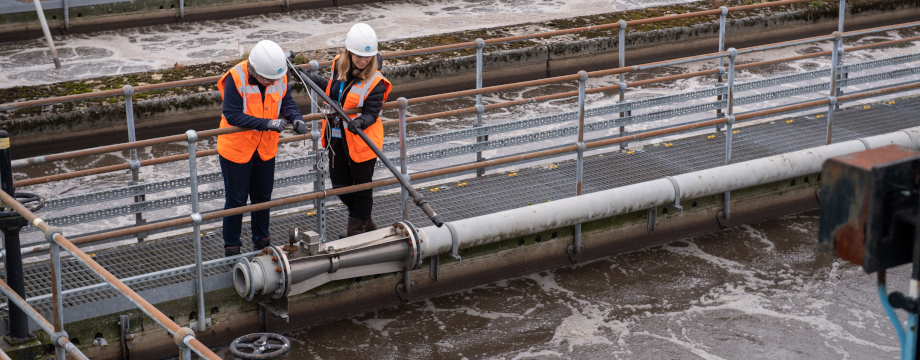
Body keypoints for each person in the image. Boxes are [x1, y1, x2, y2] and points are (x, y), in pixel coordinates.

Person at [296, 23, 392, 238]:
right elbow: (330, 88)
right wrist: (307, 77)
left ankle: (357, 233)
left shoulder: (375, 81)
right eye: (358, 55)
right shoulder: (339, 66)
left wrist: (360, 122)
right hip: (336, 138)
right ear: (349, 52)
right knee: (340, 184)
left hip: (362, 141)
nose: (363, 60)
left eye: (367, 57)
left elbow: (371, 112)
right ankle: (367, 226)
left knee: (362, 188)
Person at [218, 39, 308, 256]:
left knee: (262, 197)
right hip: (237, 150)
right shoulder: (235, 78)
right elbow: (232, 114)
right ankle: (232, 248)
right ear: (254, 69)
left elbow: (286, 101)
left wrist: (296, 118)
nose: (271, 82)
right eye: (266, 79)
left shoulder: (278, 75)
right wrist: (267, 123)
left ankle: (262, 242)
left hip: (265, 149)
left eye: (274, 79)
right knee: (237, 201)